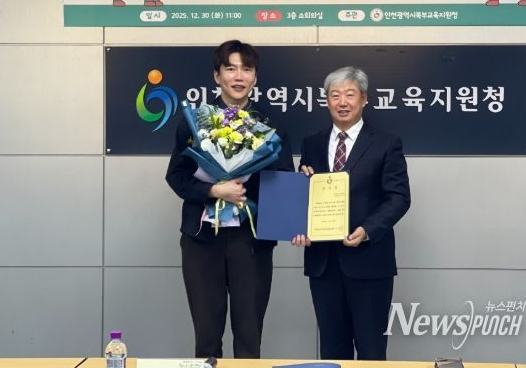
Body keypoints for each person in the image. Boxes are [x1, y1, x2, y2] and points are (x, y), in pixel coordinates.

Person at [166, 40, 293, 359]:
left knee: (249, 336)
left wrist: (291, 221)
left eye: (246, 69)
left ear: (255, 77)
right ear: (217, 75)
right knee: (206, 336)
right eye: (231, 69)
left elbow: (283, 180)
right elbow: (176, 176)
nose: (239, 76)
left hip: (251, 242)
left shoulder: (270, 124)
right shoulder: (196, 121)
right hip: (202, 241)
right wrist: (214, 191)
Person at [292, 66, 411, 361]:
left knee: (371, 351)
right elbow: (306, 195)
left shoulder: (386, 143)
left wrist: (367, 230)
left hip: (369, 261)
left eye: (349, 94)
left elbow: (398, 197)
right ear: (326, 100)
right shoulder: (312, 144)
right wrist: (299, 223)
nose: (342, 102)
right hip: (323, 264)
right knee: (332, 351)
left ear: (364, 98)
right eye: (335, 95)